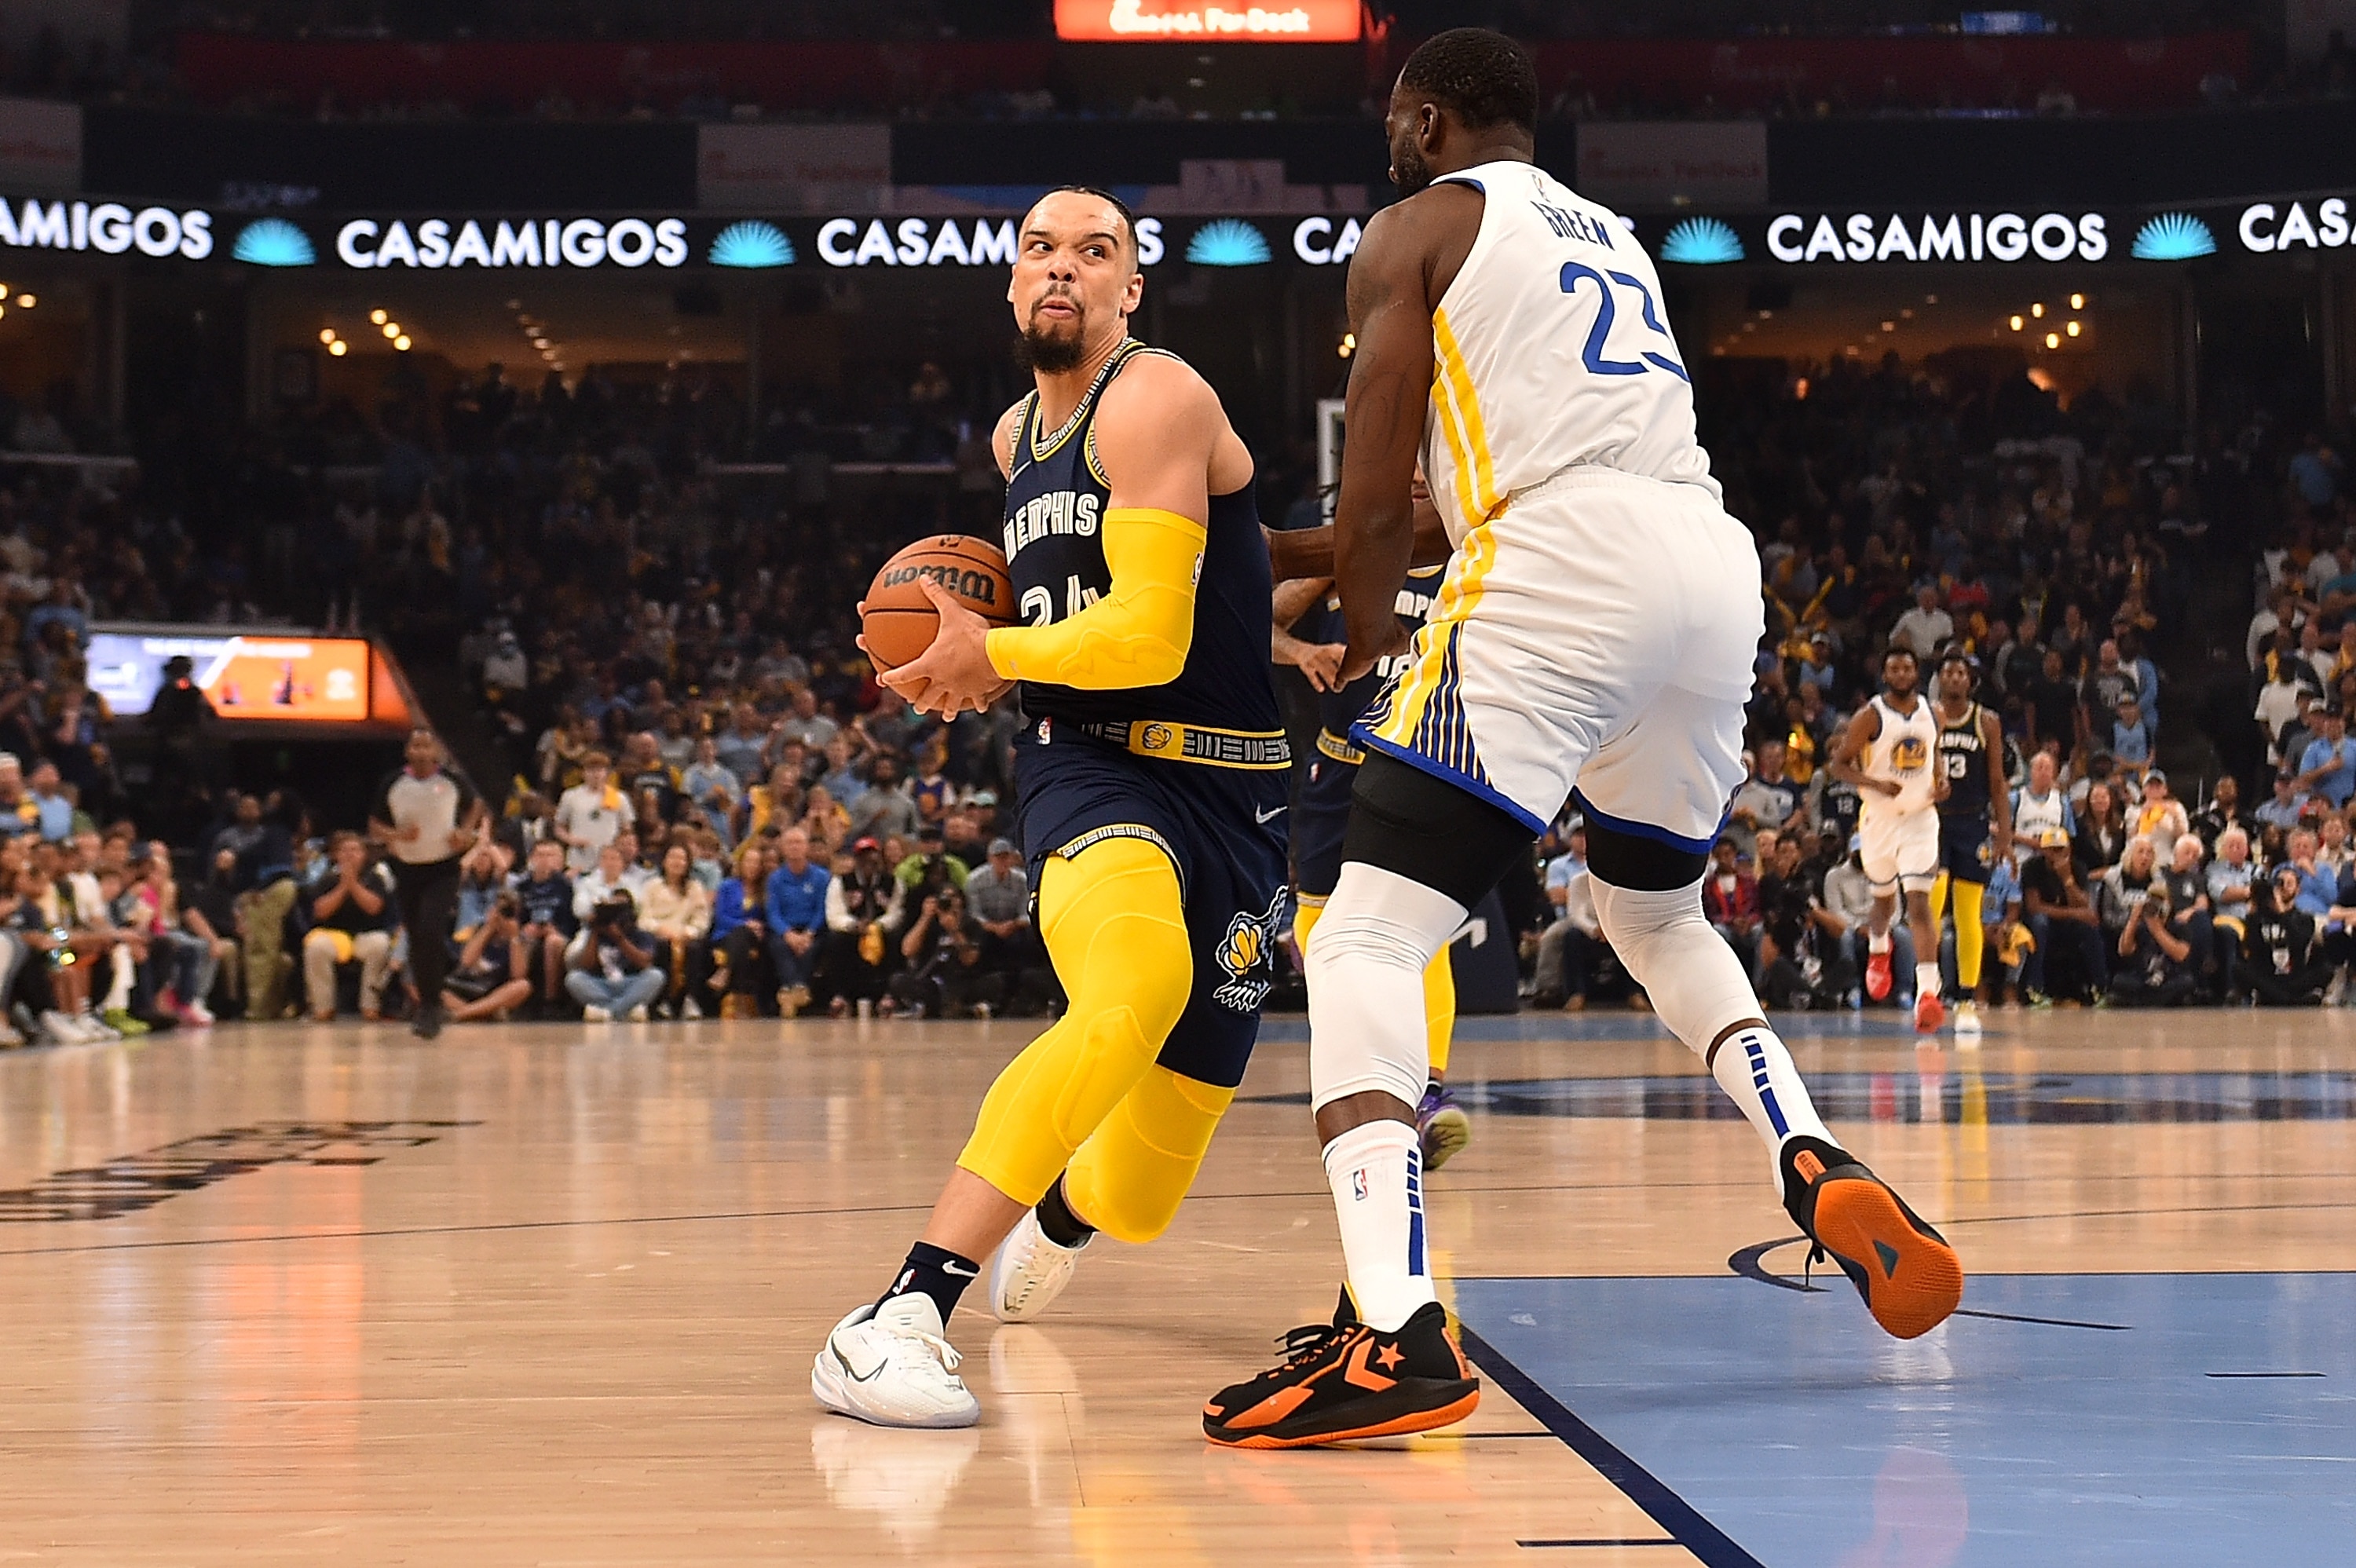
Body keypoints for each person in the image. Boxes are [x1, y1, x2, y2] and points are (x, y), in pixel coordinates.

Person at [1204, 31, 1957, 1453]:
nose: (1388, 143)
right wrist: (1254, 555)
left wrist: (1342, 649)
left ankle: (1396, 1330)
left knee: (1362, 937)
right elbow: (1436, 509)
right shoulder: (1611, 239)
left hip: (1558, 566)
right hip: (1705, 563)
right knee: (1653, 911)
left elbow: (1378, 515)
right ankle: (1806, 1149)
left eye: (1395, 120)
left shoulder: (1410, 231)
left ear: (1430, 119)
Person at [812, 185, 1291, 1431]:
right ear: (1012, 283)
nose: (1063, 267)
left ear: (1133, 288)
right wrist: (978, 660)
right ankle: (898, 1314)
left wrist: (994, 652)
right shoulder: (1014, 438)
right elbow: (1096, 618)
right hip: (1094, 769)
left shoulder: (1157, 395)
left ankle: (1066, 1210)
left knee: (1140, 1195)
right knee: (1131, 989)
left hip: (1237, 796)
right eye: (1039, 249)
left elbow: (1152, 629)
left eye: (1095, 250)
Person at [1274, 472, 1467, 1168]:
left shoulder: (1468, 558)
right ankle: (1359, 1069)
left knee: (1423, 928)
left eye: (1423, 466)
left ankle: (1430, 1091)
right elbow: (1257, 624)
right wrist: (1303, 651)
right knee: (1316, 927)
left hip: (1419, 758)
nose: (1411, 475)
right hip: (1336, 763)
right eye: (1402, 463)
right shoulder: (1348, 553)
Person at [1828, 645, 1949, 1033]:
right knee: (1883, 903)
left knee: (1919, 903)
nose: (1900, 674)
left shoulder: (1934, 712)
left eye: (1906, 668)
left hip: (1920, 817)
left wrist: (1941, 779)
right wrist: (1875, 783)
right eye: (1893, 668)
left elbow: (1935, 751)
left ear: (1916, 672)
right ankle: (1879, 948)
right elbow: (1838, 765)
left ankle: (1928, 993)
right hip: (1879, 818)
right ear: (1884, 674)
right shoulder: (1870, 715)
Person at [368, 728, 483, 1040]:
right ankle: (427, 1003)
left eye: (426, 746)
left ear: (436, 751)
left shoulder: (451, 781)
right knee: (417, 937)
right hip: (408, 868)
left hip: (443, 868)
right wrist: (396, 836)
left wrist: (465, 832)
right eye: (415, 745)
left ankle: (432, 1004)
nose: (420, 751)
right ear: (407, 751)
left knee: (431, 929)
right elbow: (375, 826)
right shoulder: (394, 783)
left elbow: (476, 805)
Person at [1926, 651, 2013, 1037]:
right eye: (1948, 672)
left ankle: (1965, 1001)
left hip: (1972, 823)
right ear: (1939, 678)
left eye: (1961, 672)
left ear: (1970, 680)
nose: (1954, 678)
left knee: (1967, 914)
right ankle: (1927, 991)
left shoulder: (1986, 721)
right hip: (1932, 821)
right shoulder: (1925, 717)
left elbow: (1997, 780)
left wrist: (2005, 834)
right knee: (1931, 904)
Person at [302, 831, 398, 1022]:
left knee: (380, 945)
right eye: (344, 850)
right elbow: (320, 911)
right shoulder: (327, 878)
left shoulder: (375, 877)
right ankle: (323, 1008)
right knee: (316, 947)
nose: (349, 855)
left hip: (367, 934)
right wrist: (343, 886)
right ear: (336, 855)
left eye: (355, 850)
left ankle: (371, 1006)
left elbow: (374, 907)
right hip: (333, 935)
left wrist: (352, 883)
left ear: (364, 854)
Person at [2019, 826, 2105, 1003]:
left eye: (2061, 849)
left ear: (2069, 849)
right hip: (2044, 924)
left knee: (2089, 926)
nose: (2057, 854)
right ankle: (2035, 987)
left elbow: (2083, 906)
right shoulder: (2032, 867)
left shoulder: (2078, 867)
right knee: (2039, 922)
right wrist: (2074, 913)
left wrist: (2067, 879)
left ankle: (2099, 987)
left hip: (2067, 924)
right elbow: (2034, 907)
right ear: (2043, 850)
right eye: (2052, 849)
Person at [565, 886, 663, 1022]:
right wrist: (595, 930)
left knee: (656, 975)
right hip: (602, 984)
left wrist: (620, 938)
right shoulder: (597, 934)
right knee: (573, 978)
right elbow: (587, 965)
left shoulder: (641, 935)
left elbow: (645, 963)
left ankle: (607, 1013)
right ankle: (627, 1010)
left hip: (631, 983)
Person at [764, 826, 829, 1016]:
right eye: (790, 843)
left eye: (799, 842)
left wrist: (808, 933)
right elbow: (773, 912)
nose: (794, 847)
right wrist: (788, 934)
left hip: (812, 929)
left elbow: (822, 909)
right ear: (783, 848)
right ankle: (798, 989)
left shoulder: (822, 877)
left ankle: (789, 993)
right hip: (785, 929)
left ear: (807, 847)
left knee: (811, 949)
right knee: (779, 946)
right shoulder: (775, 879)